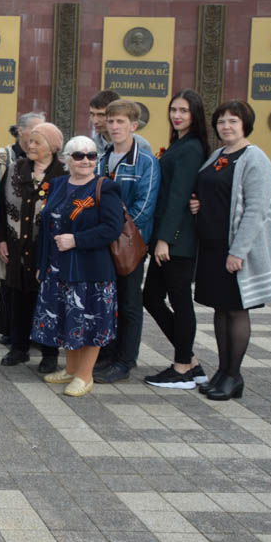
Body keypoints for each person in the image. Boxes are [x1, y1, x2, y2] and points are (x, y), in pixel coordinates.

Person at [190, 100, 271, 401]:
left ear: (245, 125)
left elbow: (256, 211)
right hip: (212, 246)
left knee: (237, 310)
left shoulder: (255, 159)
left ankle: (234, 375)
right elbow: (208, 189)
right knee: (219, 309)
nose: (225, 126)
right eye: (222, 121)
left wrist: (238, 251)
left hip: (235, 249)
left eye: (233, 121)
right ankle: (222, 370)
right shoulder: (218, 155)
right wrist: (197, 205)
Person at [33, 136, 125, 397]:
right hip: (58, 267)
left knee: (89, 322)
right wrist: (42, 264)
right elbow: (46, 228)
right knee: (66, 318)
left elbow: (112, 228)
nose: (86, 160)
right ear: (66, 159)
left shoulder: (105, 187)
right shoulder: (59, 184)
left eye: (91, 155)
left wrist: (76, 240)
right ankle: (71, 368)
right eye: (78, 155)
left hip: (91, 269)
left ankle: (85, 376)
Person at [143, 90, 210, 389]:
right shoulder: (179, 145)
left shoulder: (191, 148)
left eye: (183, 110)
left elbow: (179, 198)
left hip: (177, 240)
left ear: (195, 114)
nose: (177, 115)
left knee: (179, 302)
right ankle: (190, 361)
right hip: (169, 237)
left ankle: (183, 368)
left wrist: (164, 240)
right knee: (152, 298)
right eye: (173, 110)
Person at [93, 98, 159, 384]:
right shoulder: (102, 158)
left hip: (130, 244)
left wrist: (115, 231)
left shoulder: (145, 161)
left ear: (134, 125)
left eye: (120, 121)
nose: (114, 126)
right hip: (103, 242)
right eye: (111, 121)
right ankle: (107, 352)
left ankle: (125, 360)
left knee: (130, 302)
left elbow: (145, 206)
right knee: (107, 300)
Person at [0, 121, 66, 373]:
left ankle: (49, 353)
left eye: (38, 142)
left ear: (53, 147)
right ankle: (19, 348)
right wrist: (2, 240)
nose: (31, 145)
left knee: (47, 300)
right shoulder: (16, 168)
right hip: (16, 245)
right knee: (17, 297)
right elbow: (1, 206)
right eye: (30, 141)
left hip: (47, 250)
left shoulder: (63, 173)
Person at [0, 111, 45, 345]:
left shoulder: (51, 164)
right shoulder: (4, 157)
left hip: (36, 236)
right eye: (35, 131)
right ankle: (10, 330)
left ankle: (34, 331)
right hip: (11, 231)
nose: (38, 136)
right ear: (20, 132)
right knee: (9, 279)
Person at [88, 89, 152, 154]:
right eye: (92, 114)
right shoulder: (89, 145)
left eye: (101, 115)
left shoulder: (141, 145)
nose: (95, 121)